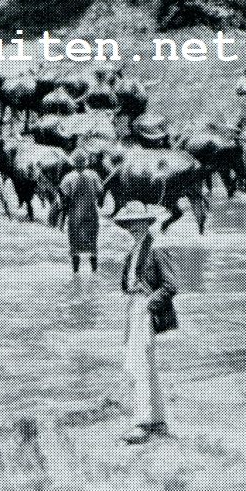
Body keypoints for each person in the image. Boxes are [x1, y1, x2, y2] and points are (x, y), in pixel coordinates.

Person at [115, 206, 178, 444]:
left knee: (138, 366)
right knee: (145, 365)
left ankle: (142, 423)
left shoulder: (155, 248)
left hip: (144, 308)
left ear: (145, 223)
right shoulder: (134, 251)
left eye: (135, 223)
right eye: (128, 224)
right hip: (134, 306)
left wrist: (149, 304)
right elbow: (126, 283)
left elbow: (170, 286)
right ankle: (158, 420)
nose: (131, 228)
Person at [58, 150, 103, 273]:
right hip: (91, 216)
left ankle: (76, 273)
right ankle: (94, 272)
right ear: (85, 162)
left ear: (74, 163)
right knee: (93, 246)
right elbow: (100, 192)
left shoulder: (68, 177)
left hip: (75, 217)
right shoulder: (93, 175)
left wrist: (61, 216)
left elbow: (64, 198)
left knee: (75, 247)